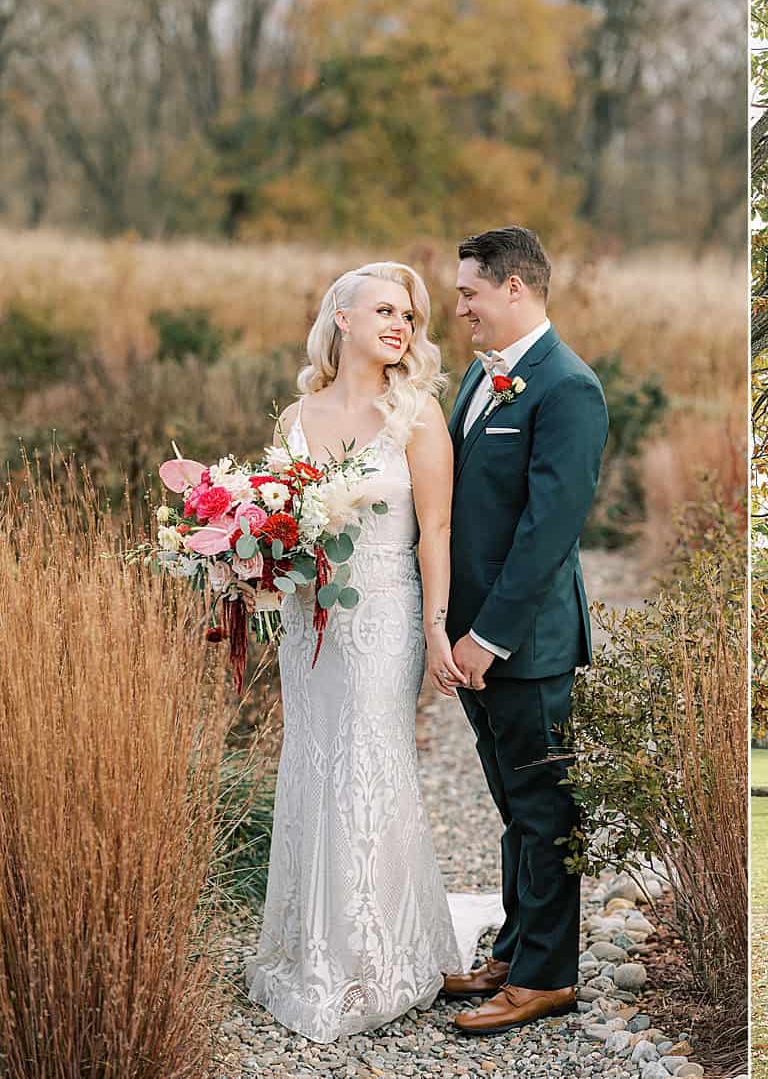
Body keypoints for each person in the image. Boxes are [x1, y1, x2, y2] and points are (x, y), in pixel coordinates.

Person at [245, 262, 470, 1042]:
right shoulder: (296, 417)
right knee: (313, 759)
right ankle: (309, 946)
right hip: (311, 622)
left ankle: (376, 955)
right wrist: (251, 571)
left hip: (383, 615)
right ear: (341, 317)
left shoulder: (418, 414)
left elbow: (435, 533)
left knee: (371, 759)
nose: (401, 325)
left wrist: (439, 628)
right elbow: (276, 525)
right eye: (383, 309)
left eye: (409, 314)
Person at [434, 227, 610, 1036]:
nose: (459, 305)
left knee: (544, 812)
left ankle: (547, 977)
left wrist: (488, 636)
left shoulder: (567, 387)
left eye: (470, 291)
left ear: (514, 288)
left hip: (525, 647)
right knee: (515, 807)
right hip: (473, 638)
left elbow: (549, 530)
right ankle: (516, 945)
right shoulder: (482, 374)